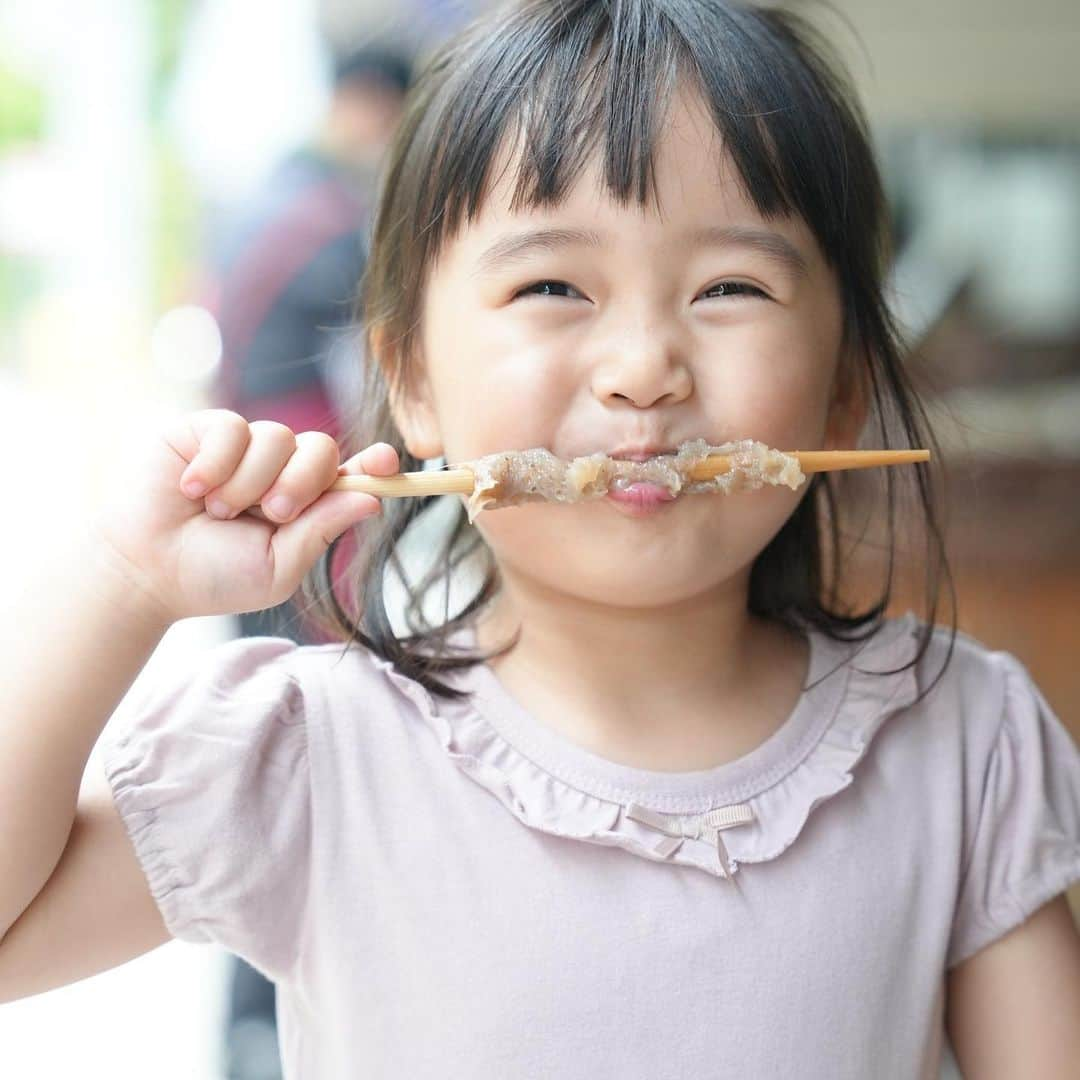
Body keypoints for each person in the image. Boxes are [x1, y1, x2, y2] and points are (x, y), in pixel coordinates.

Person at [3, 3, 1080, 1078]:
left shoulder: (963, 747)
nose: (643, 366)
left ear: (844, 389)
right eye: (553, 286)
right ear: (412, 380)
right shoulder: (308, 757)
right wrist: (120, 583)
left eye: (730, 289)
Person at [202, 45, 412, 1080]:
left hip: (254, 499)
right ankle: (263, 1025)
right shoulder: (330, 222)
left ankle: (248, 1023)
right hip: (305, 511)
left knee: (266, 756)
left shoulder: (262, 202)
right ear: (368, 107)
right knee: (298, 762)